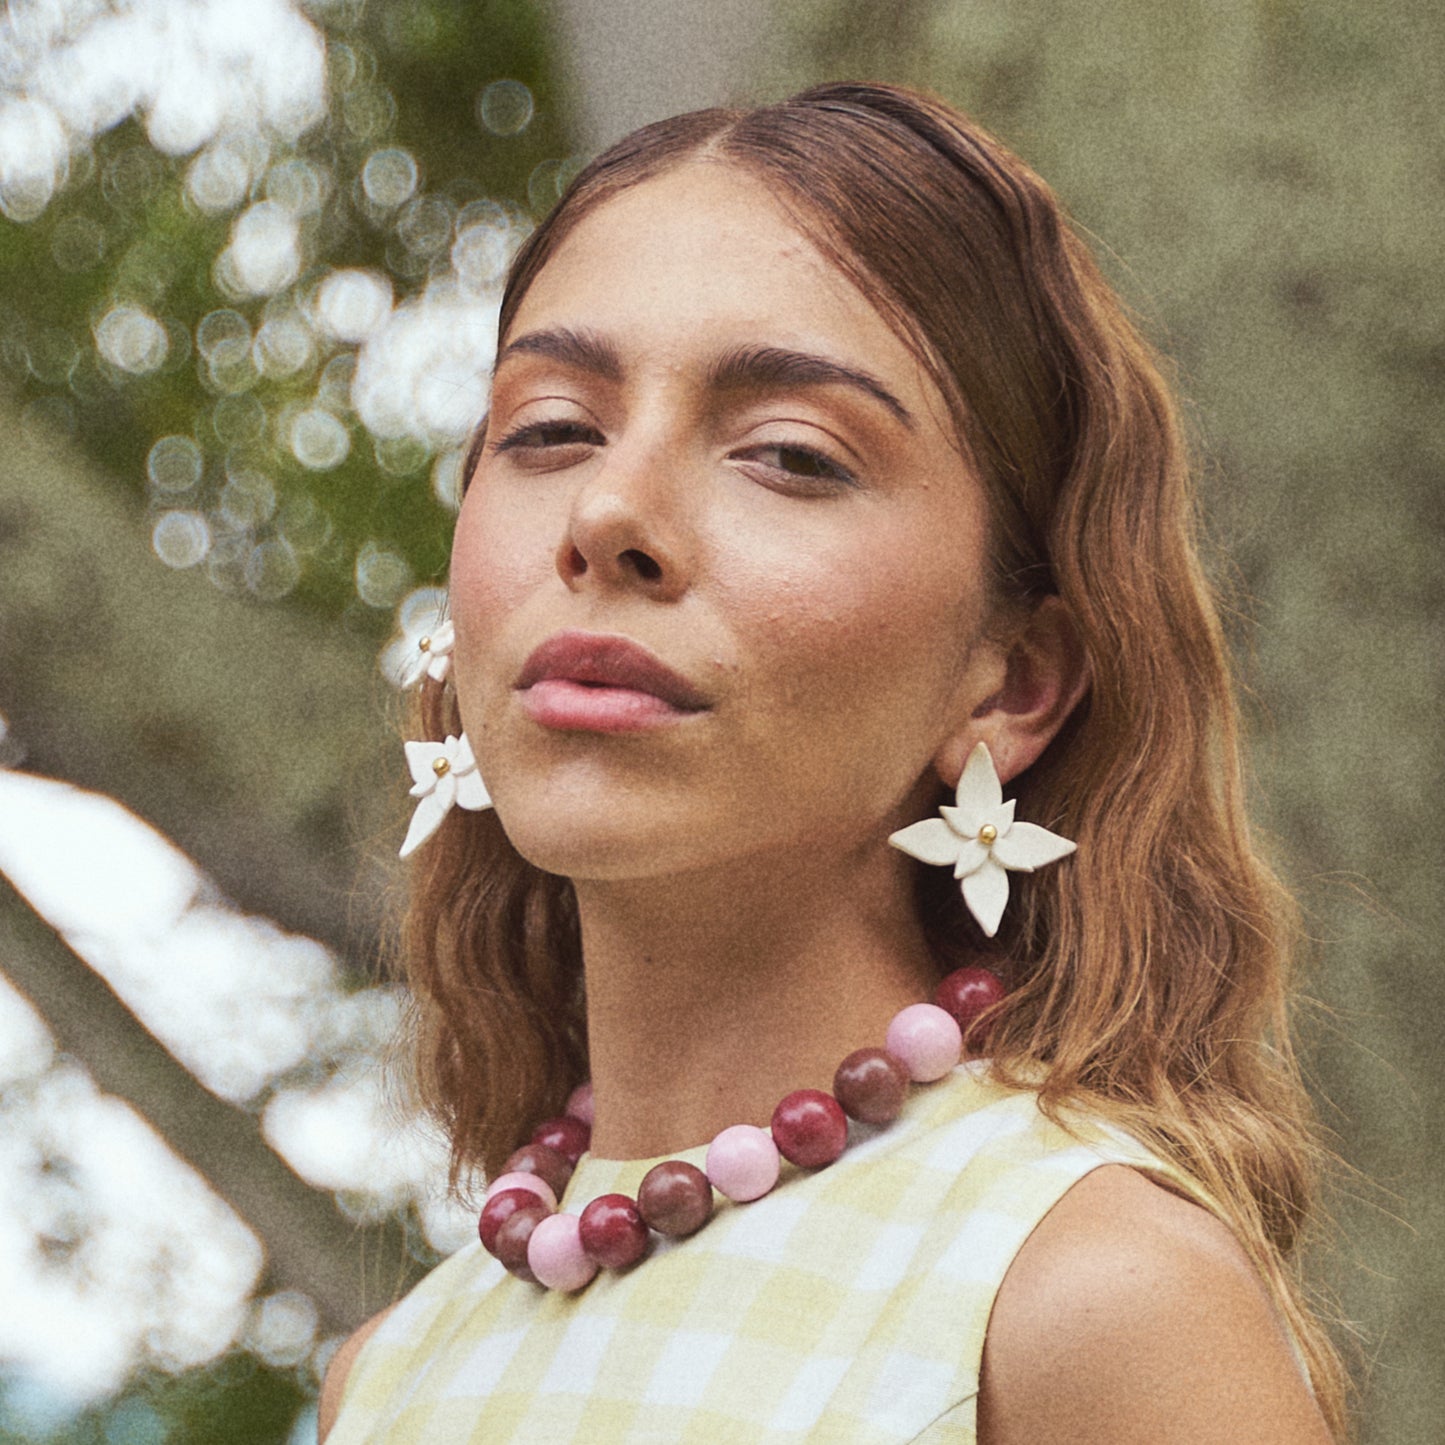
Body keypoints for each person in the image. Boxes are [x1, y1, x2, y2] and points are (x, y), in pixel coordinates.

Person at [320, 82, 1343, 1442]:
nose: (608, 512)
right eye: (550, 428)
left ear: (1012, 679)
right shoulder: (389, 1377)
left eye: (791, 455)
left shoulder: (1083, 1299)